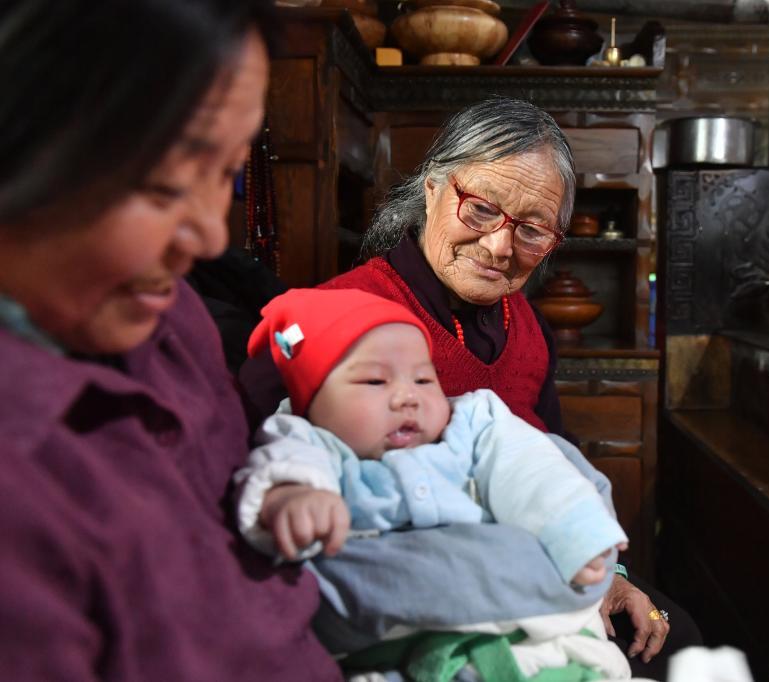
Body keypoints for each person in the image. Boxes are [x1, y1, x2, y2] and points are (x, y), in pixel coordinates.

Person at [240, 97, 701, 679]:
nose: (499, 247)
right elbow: (256, 451)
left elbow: (554, 463)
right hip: (402, 594)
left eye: (532, 230)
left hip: (528, 570)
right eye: (481, 209)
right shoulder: (338, 316)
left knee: (675, 642)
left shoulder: (528, 327)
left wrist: (612, 574)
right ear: (432, 188)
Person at [0, 2, 343, 679]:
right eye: (165, 185)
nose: (211, 237)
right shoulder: (22, 473)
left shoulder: (168, 312)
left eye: (226, 173)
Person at [236, 287, 632, 679]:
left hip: (516, 628)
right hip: (390, 642)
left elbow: (533, 470)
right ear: (312, 403)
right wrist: (293, 497)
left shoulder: (472, 424)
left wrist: (574, 531)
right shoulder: (309, 439)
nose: (407, 397)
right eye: (375, 381)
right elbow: (282, 465)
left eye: (425, 380)